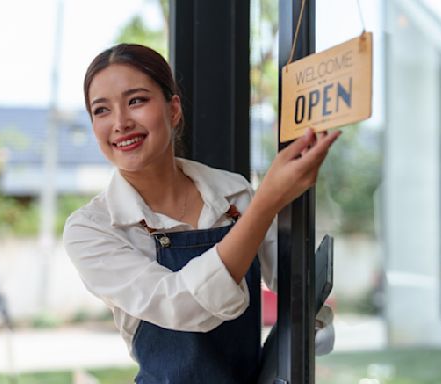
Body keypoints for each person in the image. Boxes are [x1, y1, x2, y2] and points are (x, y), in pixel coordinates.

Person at [63, 43, 340, 384]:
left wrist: (310, 322)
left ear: (173, 109)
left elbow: (292, 281)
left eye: (136, 100)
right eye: (101, 110)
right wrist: (268, 200)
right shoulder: (92, 228)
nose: (120, 123)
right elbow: (182, 303)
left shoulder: (232, 193)